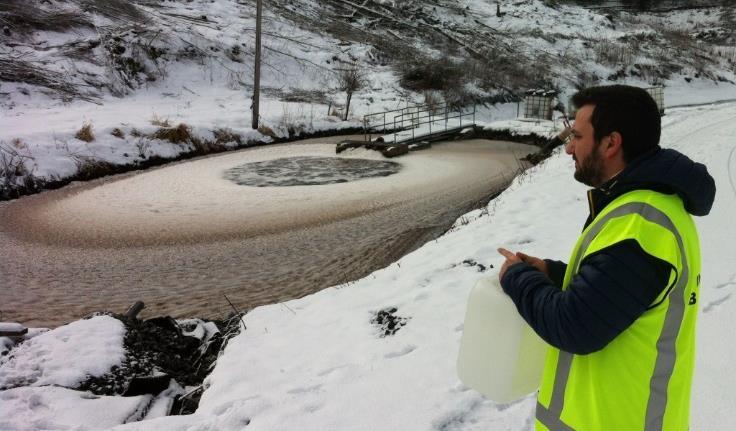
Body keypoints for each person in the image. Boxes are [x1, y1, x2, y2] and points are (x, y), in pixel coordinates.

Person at [497, 85, 716, 430]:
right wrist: (554, 273)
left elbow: (576, 326)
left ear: (611, 143)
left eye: (577, 136)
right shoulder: (649, 206)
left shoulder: (639, 225)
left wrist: (517, 278)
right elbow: (625, 295)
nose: (568, 147)